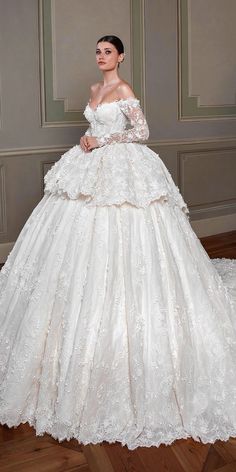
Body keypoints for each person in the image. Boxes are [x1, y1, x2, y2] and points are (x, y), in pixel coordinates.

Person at [0, 34, 236, 451]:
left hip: (124, 165)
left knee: (130, 230)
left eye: (108, 51)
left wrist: (104, 141)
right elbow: (94, 126)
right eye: (97, 51)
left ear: (121, 56)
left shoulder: (124, 88)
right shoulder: (93, 90)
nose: (101, 57)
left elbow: (142, 131)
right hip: (90, 164)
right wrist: (86, 140)